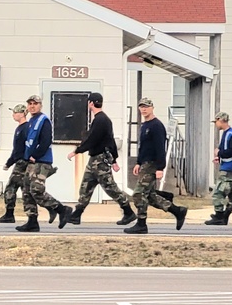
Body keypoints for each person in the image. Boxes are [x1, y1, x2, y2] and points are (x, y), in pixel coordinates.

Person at [66, 92, 135, 226]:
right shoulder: (103, 120)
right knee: (86, 186)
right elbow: (110, 140)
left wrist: (77, 151)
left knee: (110, 188)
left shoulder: (100, 120)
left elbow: (92, 140)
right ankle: (76, 215)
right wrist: (114, 160)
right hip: (94, 160)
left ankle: (128, 212)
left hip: (100, 160)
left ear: (91, 103)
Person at [123, 98, 188, 234]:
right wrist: (138, 163)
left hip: (152, 165)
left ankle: (141, 224)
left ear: (152, 107)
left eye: (146, 106)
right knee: (150, 196)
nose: (143, 109)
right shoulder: (145, 125)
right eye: (141, 106)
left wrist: (160, 168)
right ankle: (177, 211)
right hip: (145, 164)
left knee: (138, 194)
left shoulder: (156, 126)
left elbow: (160, 148)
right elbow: (143, 147)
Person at [15, 95, 73, 232]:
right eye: (30, 104)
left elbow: (46, 141)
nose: (32, 106)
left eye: (35, 103)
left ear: (40, 105)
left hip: (41, 162)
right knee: (26, 191)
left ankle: (62, 209)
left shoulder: (43, 121)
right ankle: (32, 221)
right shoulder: (31, 121)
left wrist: (35, 155)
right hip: (31, 162)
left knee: (36, 191)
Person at [0, 104, 30, 223]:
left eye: (15, 113)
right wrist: (9, 162)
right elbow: (15, 149)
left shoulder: (26, 128)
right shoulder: (19, 128)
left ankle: (10, 214)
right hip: (18, 161)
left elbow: (26, 147)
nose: (13, 115)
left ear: (22, 114)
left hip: (22, 162)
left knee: (11, 187)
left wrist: (25, 159)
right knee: (24, 189)